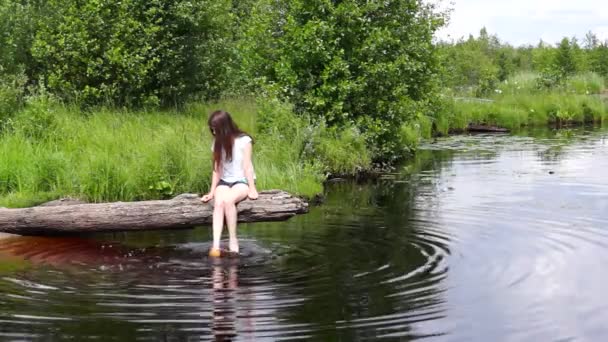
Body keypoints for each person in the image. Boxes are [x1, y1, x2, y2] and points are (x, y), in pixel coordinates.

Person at [201, 110, 258, 257]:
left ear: (224, 127)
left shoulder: (244, 140)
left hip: (241, 180)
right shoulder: (216, 143)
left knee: (229, 201)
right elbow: (216, 170)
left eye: (215, 128)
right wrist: (211, 192)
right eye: (212, 129)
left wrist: (252, 188)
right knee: (219, 203)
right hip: (224, 181)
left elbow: (247, 166)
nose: (213, 132)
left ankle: (233, 240)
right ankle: (215, 246)